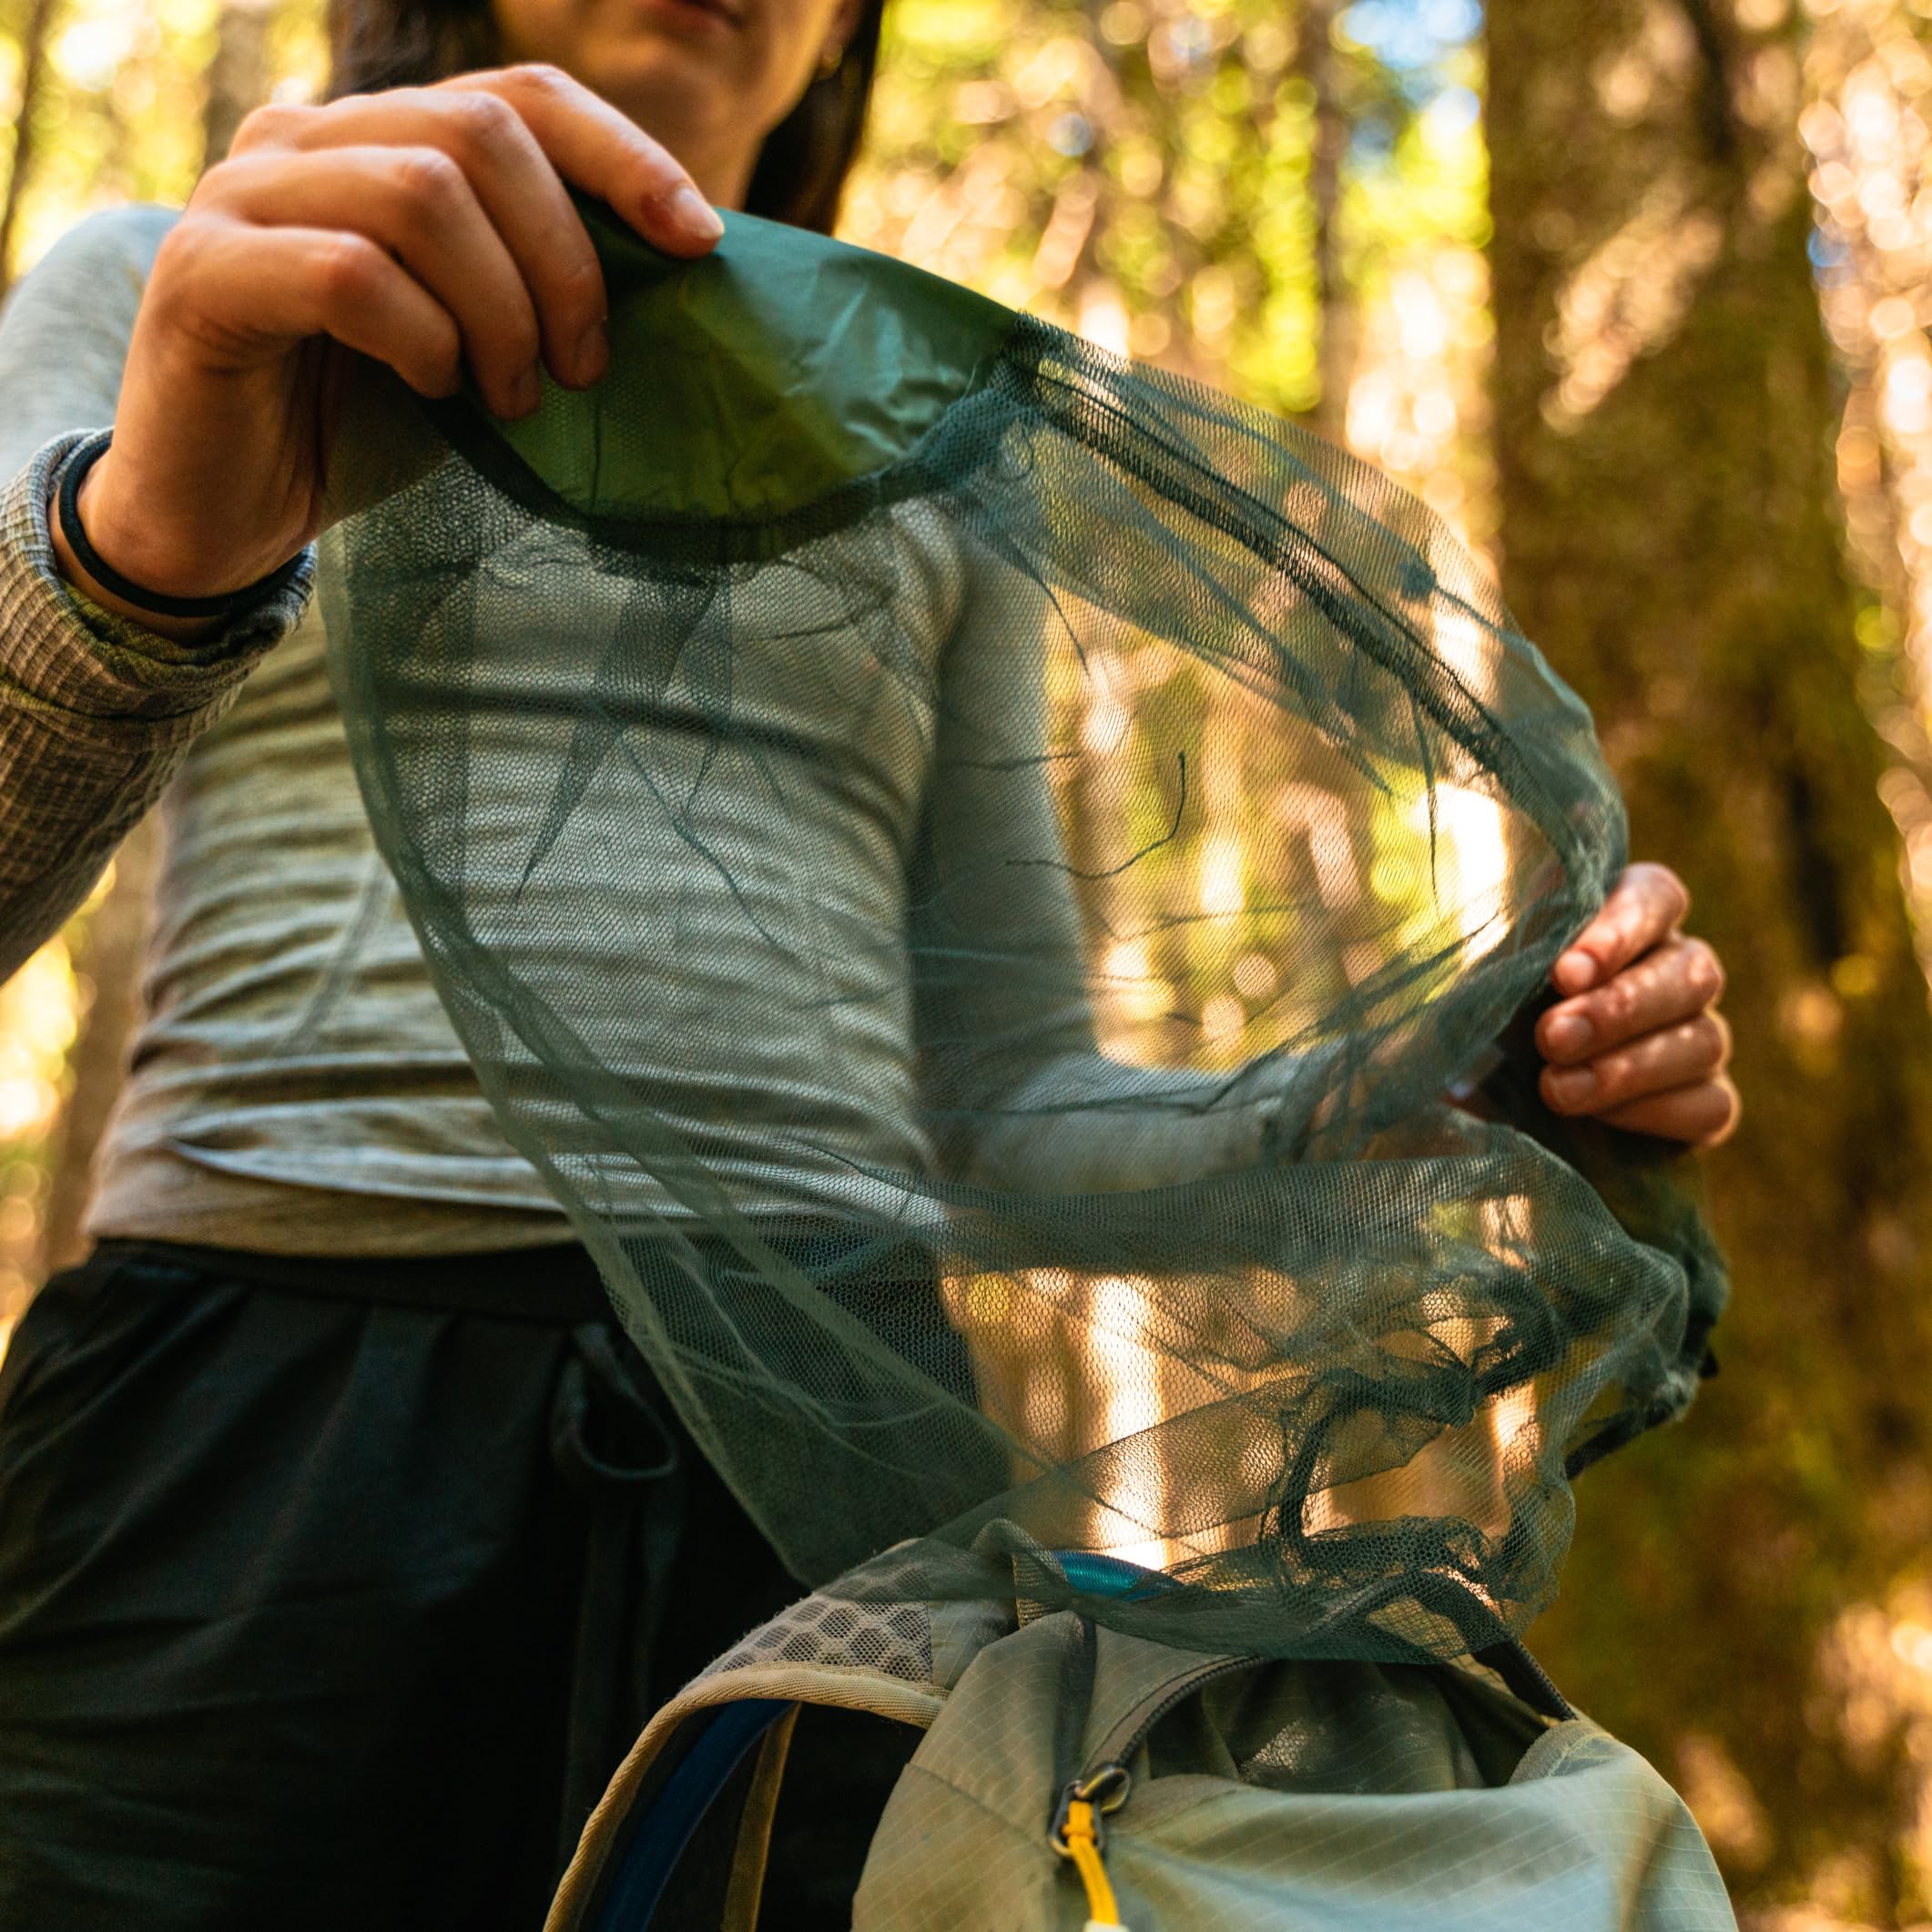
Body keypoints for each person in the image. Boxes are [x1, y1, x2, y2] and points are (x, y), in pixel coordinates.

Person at [0, 1, 1741, 1926]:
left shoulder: (919, 435)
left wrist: (1427, 1100)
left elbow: (1000, 1112)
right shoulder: (183, 281)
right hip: (246, 1424)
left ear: (843, 43)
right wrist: (141, 546)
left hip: (824, 1478)